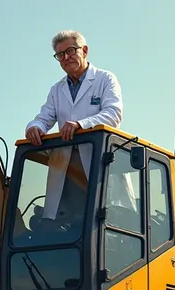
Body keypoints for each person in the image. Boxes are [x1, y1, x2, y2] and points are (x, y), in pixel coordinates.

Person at [22, 30, 125, 225]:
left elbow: (113, 114)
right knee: (67, 224)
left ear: (84, 51)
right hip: (68, 173)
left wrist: (81, 124)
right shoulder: (56, 89)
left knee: (98, 221)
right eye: (60, 55)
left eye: (70, 51)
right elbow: (43, 118)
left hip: (98, 166)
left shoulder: (105, 79)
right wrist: (34, 127)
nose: (66, 57)